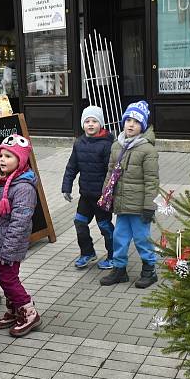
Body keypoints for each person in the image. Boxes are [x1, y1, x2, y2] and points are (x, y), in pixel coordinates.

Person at [0, 134, 42, 338]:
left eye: (9, 156)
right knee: (5, 278)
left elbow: (20, 222)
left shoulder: (23, 187)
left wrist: (8, 249)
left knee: (8, 279)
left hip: (10, 244)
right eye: (1, 155)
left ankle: (29, 312)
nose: (2, 160)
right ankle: (15, 309)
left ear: (21, 160)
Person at [99, 101, 160, 289]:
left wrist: (150, 205)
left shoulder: (147, 149)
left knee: (142, 238)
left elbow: (152, 180)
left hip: (140, 205)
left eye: (136, 121)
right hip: (122, 203)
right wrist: (105, 195)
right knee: (119, 237)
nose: (131, 124)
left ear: (142, 126)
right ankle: (119, 269)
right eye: (128, 120)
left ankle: (149, 270)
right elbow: (110, 172)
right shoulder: (117, 145)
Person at [61, 105, 115, 270]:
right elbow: (72, 167)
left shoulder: (108, 144)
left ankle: (114, 255)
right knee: (79, 223)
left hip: (101, 197)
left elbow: (112, 172)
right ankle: (88, 253)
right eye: (87, 121)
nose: (90, 124)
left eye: (94, 121)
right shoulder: (79, 143)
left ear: (101, 124)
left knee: (105, 227)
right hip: (85, 195)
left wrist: (109, 194)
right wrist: (66, 187)